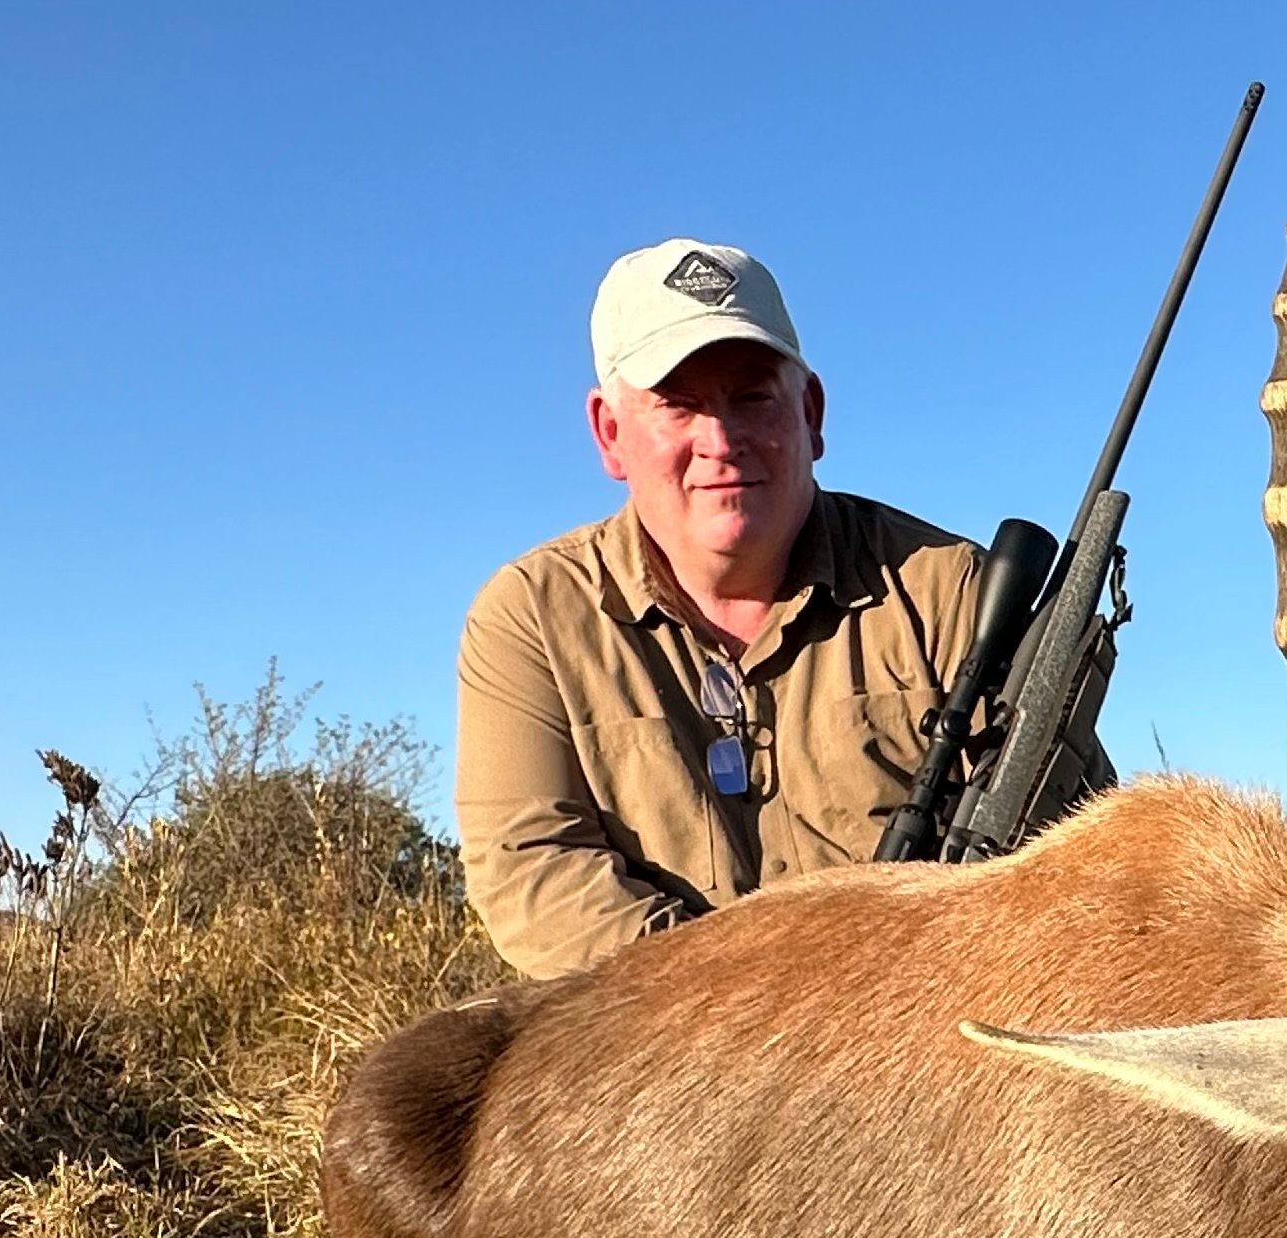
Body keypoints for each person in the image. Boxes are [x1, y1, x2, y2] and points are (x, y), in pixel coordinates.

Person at [453, 238, 1108, 978]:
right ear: (609, 433)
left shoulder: (950, 590)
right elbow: (534, 871)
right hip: (660, 1048)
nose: (721, 440)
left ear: (812, 412)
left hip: (926, 1037)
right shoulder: (532, 616)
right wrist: (763, 1006)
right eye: (678, 405)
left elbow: (1076, 857)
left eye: (753, 396)